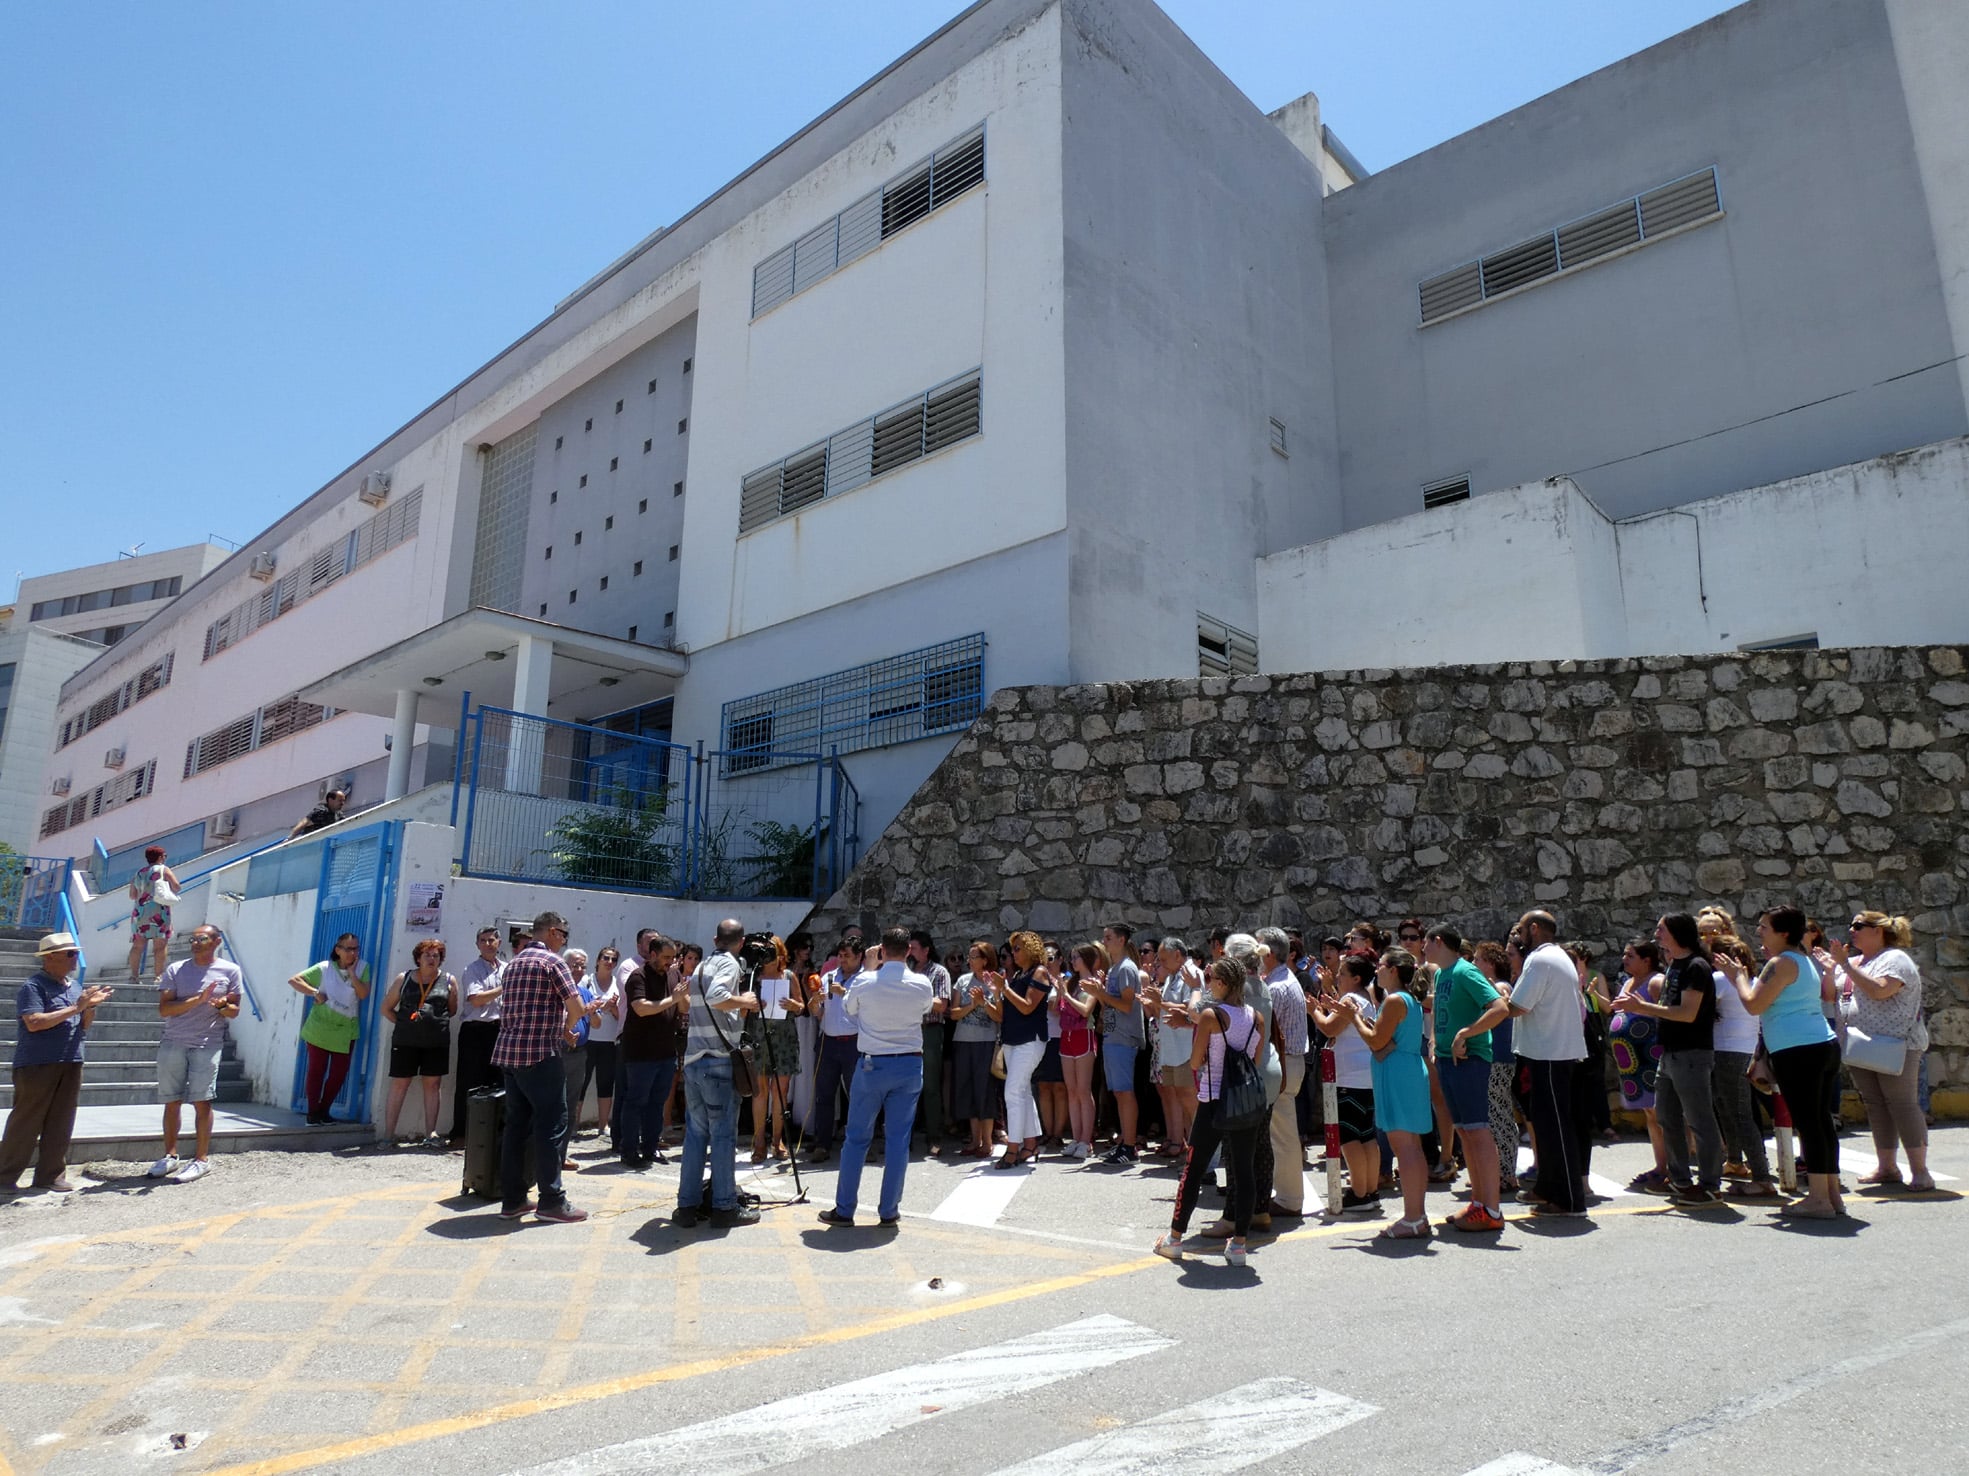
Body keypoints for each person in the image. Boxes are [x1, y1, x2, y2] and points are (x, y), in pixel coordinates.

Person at [1730, 905, 1842, 1218]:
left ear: (1783, 933)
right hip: (1821, 1044)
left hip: (1798, 1050)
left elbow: (1754, 1005)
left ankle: (1819, 1199)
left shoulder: (1779, 964)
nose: (1758, 932)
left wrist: (1738, 977)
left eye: (1764, 927)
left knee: (1810, 1124)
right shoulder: (1803, 959)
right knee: (1820, 1122)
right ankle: (1831, 1195)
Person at [819, 927, 934, 1228]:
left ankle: (845, 1209)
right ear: (908, 950)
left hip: (872, 1064)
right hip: (908, 1065)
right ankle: (889, 1209)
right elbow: (924, 1009)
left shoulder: (866, 981)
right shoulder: (921, 983)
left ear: (882, 949)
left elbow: (848, 1007)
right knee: (898, 1141)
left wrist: (870, 969)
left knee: (856, 1138)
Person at [1155, 958, 1265, 1267]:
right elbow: (1254, 1059)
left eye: (1212, 978)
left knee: (1194, 1167)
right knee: (1244, 1171)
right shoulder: (1256, 1017)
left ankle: (1175, 1238)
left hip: (1213, 1097)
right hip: (1243, 1099)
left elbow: (1194, 1062)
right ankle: (1240, 1244)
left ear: (1223, 983)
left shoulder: (1210, 1015)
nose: (1209, 982)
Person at [1614, 916, 1724, 1204]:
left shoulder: (1696, 967)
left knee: (1699, 1119)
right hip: (1670, 1053)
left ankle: (1710, 1184)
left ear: (1676, 933)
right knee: (1666, 1117)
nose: (1656, 933)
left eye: (1661, 929)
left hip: (1691, 1053)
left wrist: (1642, 1007)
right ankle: (1679, 1180)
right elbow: (1667, 1008)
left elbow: (1687, 1013)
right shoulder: (1675, 966)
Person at [489, 911, 589, 1223]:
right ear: (554, 932)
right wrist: (569, 1026)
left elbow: (526, 1008)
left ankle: (514, 1199)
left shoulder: (514, 963)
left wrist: (560, 1026)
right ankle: (552, 1201)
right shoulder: (553, 962)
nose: (564, 941)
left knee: (517, 1127)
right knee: (552, 1125)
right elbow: (577, 1006)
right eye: (564, 934)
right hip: (540, 1055)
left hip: (509, 1054)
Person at [2, 933, 113, 1194]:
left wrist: (89, 1007)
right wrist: (77, 1007)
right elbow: (34, 1022)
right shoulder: (34, 986)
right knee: (26, 1122)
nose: (75, 959)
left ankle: (50, 1175)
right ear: (50, 958)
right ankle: (5, 1177)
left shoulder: (74, 987)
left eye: (75, 953)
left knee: (61, 1121)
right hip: (37, 1063)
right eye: (70, 954)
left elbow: (83, 1026)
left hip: (71, 1059)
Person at [1338, 948, 1435, 1239]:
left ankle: (1414, 1216)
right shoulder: (1405, 999)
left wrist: (1354, 1018)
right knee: (1410, 1146)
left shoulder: (1394, 999)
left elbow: (1377, 1041)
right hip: (1404, 1072)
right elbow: (1385, 1038)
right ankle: (1416, 1214)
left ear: (1393, 970)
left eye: (1381, 965)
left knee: (1404, 1147)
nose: (1376, 970)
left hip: (1398, 1075)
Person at [1831, 911, 1931, 1192]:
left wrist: (1846, 967)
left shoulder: (1895, 959)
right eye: (1851, 924)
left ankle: (1921, 1171)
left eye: (1859, 925)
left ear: (1878, 931)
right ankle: (1887, 1166)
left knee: (1902, 1104)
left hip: (1897, 1044)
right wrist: (1832, 968)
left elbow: (1880, 991)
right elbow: (1830, 994)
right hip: (1861, 1043)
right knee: (1875, 1105)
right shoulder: (1854, 961)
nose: (1852, 929)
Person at [1502, 910, 1589, 1218]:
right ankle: (1547, 1188)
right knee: (1548, 1127)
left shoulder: (1540, 960)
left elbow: (1517, 1006)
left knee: (1555, 1129)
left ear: (1534, 929)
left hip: (1550, 1055)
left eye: (1522, 930)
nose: (1517, 935)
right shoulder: (1557, 957)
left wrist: (1490, 995)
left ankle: (1569, 1200)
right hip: (1550, 1054)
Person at [676, 918, 762, 1228]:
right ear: (740, 943)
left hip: (694, 1060)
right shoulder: (730, 964)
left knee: (696, 1136)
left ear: (715, 939)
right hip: (717, 1060)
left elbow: (694, 1003)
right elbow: (716, 997)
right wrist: (745, 1001)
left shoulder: (700, 966)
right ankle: (724, 1207)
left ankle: (688, 1206)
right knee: (724, 1136)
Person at [1429, 926, 1508, 1232]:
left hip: (1471, 1061)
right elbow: (1439, 1013)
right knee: (1464, 1132)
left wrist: (1467, 1033)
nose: (1422, 948)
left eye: (1425, 942)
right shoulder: (1441, 974)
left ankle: (1492, 1209)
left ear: (1438, 942)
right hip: (1450, 1061)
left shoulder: (1465, 972)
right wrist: (1437, 1045)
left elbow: (1500, 1008)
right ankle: (1478, 1203)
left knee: (1477, 1131)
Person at [150, 924, 243, 1183]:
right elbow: (165, 1010)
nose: (195, 943)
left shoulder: (230, 971)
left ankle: (201, 1160)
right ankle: (170, 1156)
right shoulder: (176, 969)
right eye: (192, 939)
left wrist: (222, 1006)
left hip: (207, 1044)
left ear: (216, 941)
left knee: (202, 1102)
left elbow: (234, 1011)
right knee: (171, 1101)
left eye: (201, 938)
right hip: (173, 1042)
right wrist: (198, 1000)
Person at [1707, 934, 1777, 1198]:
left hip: (1726, 1050)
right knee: (1729, 1109)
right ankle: (1735, 1161)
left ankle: (1761, 1176)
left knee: (1738, 1114)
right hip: (1746, 1050)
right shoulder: (1754, 982)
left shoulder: (1720, 981)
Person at [1311, 952, 1381, 1212]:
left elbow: (1329, 1028)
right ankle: (1370, 1190)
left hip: (1350, 1077)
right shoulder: (1365, 999)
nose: (1337, 976)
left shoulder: (1352, 999)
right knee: (1366, 1136)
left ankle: (1359, 1194)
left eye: (1342, 973)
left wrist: (1314, 1011)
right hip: (1365, 1076)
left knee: (1349, 1137)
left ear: (1356, 978)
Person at [289, 932, 373, 1125]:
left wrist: (352, 974)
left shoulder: (363, 968)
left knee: (338, 1074)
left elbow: (362, 994)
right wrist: (314, 992)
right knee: (316, 1071)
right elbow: (294, 980)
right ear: (338, 950)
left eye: (356, 948)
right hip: (320, 1026)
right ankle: (312, 1112)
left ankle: (324, 1110)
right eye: (348, 949)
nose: (353, 953)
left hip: (346, 1029)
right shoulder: (324, 968)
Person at [380, 938, 456, 1146]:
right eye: (427, 955)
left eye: (436, 955)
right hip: (406, 1041)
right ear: (418, 958)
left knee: (433, 1085)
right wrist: (405, 1023)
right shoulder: (403, 979)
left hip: (436, 1042)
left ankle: (430, 1134)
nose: (431, 959)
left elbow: (452, 1009)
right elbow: (386, 1008)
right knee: (399, 1084)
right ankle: (388, 1135)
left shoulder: (448, 980)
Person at [1256, 927, 1310, 1217]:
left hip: (1285, 1063)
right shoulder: (1281, 980)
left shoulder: (1276, 987)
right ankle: (1286, 1193)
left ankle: (1290, 1199)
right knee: (1281, 1131)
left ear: (1270, 954)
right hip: (1290, 1061)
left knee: (1283, 1134)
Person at [617, 933, 683, 1168]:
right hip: (641, 1052)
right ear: (652, 954)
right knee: (636, 1102)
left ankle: (651, 1147)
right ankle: (629, 1150)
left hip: (666, 1051)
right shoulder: (638, 976)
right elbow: (641, 1008)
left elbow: (681, 1006)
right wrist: (673, 999)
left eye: (673, 957)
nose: (670, 962)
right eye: (666, 957)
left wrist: (682, 998)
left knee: (658, 1103)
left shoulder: (674, 973)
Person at [1608, 939, 1668, 1192]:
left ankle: (1669, 1168)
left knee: (1661, 1115)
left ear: (1647, 960)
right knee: (1649, 1115)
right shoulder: (1628, 982)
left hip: (1650, 1058)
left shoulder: (1656, 982)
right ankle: (1660, 1166)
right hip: (1633, 1062)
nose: (1624, 959)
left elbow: (1665, 1012)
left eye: (1630, 955)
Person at [992, 930, 1052, 1169]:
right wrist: (996, 994)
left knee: (1013, 1092)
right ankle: (1029, 1143)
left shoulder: (1039, 972)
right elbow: (1003, 1013)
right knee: (1023, 1092)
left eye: (1017, 948)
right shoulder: (1018, 974)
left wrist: (1004, 988)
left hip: (1030, 1040)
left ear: (1030, 949)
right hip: (1012, 1039)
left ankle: (1013, 1148)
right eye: (1012, 949)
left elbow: (1028, 1007)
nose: (1013, 953)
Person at [804, 934, 866, 1163]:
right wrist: (813, 1003)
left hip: (854, 1042)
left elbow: (867, 1009)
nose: (842, 960)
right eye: (840, 956)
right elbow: (819, 1012)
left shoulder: (865, 980)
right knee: (824, 1094)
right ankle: (822, 1144)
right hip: (828, 1041)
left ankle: (862, 1144)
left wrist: (845, 993)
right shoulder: (828, 976)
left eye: (847, 956)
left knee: (859, 1096)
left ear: (859, 956)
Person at [1088, 922, 1145, 1164]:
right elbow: (1112, 1004)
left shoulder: (1126, 969)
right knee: (1119, 1092)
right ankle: (1125, 1141)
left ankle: (1130, 1146)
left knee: (1124, 1091)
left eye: (1109, 937)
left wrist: (1100, 993)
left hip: (1124, 1038)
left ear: (1121, 940)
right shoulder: (1114, 969)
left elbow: (1126, 1005)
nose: (1105, 941)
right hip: (1113, 1037)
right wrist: (1100, 991)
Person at [746, 935, 804, 1162]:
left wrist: (793, 1004)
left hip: (784, 1037)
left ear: (780, 955)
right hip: (759, 1036)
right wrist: (750, 1005)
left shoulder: (788, 976)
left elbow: (801, 1006)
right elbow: (742, 1008)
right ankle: (759, 1141)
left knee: (780, 1091)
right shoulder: (754, 977)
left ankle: (777, 1140)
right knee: (760, 1091)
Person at [1142, 937, 1199, 1159]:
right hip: (1172, 1050)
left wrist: (1160, 1001)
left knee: (1190, 1104)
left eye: (1164, 959)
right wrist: (1155, 1003)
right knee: (1182, 1102)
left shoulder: (1191, 974)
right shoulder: (1174, 976)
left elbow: (1191, 1009)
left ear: (1178, 955)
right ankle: (1191, 1154)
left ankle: (1198, 1156)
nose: (1160, 963)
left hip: (1185, 1050)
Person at [1472, 940, 1520, 1195]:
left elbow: (1503, 1000)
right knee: (1496, 1114)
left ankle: (1505, 1173)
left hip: (1497, 1059)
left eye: (1478, 960)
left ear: (1489, 964)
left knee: (1497, 1115)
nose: (1473, 964)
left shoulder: (1500, 986)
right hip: (1498, 1058)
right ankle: (1500, 1171)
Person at [448, 926, 505, 1142]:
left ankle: (493, 1135)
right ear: (477, 944)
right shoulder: (471, 969)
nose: (487, 944)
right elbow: (476, 999)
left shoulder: (507, 969)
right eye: (483, 940)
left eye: (491, 940)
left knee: (498, 1082)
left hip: (499, 1029)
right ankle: (461, 1133)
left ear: (499, 942)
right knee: (469, 1082)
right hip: (475, 1031)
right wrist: (503, 988)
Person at [948, 940, 1001, 1159]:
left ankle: (988, 1142)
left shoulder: (995, 982)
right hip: (963, 1041)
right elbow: (954, 1013)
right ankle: (975, 1139)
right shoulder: (962, 981)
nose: (969, 961)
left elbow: (999, 1016)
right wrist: (973, 1004)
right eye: (968, 957)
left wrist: (984, 1003)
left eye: (973, 957)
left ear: (985, 960)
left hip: (986, 1042)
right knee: (967, 1089)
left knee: (985, 1090)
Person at [905, 929, 952, 1157]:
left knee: (932, 1085)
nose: (910, 952)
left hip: (931, 1031)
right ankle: (906, 1137)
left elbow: (942, 1005)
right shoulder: (907, 971)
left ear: (926, 950)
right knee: (906, 1085)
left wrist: (918, 998)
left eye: (913, 948)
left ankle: (935, 1137)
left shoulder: (939, 972)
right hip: (908, 1029)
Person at [557, 948, 603, 1165]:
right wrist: (583, 1010)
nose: (578, 969)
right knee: (555, 1104)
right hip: (558, 1053)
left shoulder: (585, 992)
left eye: (582, 966)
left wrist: (592, 1011)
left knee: (571, 1104)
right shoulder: (557, 991)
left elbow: (597, 1024)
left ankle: (561, 1154)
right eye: (574, 965)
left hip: (579, 1054)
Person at [1056, 943, 1102, 1159]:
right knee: (1071, 1090)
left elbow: (1085, 1010)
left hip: (1084, 1035)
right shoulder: (1071, 982)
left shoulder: (1092, 982)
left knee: (1083, 1090)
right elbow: (1058, 1009)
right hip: (1067, 1036)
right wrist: (1060, 991)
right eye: (1071, 957)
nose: (1073, 961)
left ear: (1087, 959)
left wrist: (1065, 994)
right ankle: (1076, 1138)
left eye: (1077, 957)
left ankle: (1087, 1140)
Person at [126, 845, 181, 985]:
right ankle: (158, 977)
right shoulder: (164, 869)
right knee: (160, 945)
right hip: (159, 910)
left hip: (140, 912)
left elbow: (132, 895)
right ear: (161, 857)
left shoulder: (138, 873)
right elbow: (177, 886)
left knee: (137, 946)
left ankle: (133, 976)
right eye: (164, 856)